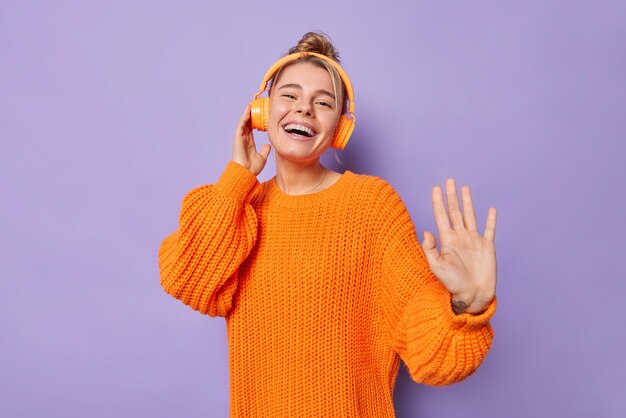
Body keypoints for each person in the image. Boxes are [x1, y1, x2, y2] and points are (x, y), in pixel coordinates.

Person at [158, 32, 498, 417]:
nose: (304, 109)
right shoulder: (240, 208)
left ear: (340, 128)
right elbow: (187, 277)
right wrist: (237, 177)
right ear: (262, 111)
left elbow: (428, 352)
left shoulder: (372, 206)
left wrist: (468, 303)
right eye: (289, 95)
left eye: (323, 102)